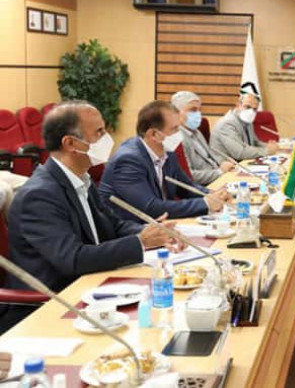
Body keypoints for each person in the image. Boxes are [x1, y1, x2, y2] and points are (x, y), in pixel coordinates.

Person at [1, 102, 180, 328]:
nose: (107, 138)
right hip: (50, 307)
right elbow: (73, 259)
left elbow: (113, 225)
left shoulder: (81, 178)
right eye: (99, 132)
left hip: (91, 289)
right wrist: (140, 242)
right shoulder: (39, 196)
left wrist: (153, 233)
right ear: (70, 143)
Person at [99, 101, 229, 223]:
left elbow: (186, 187)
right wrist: (205, 204)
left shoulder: (167, 152)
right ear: (153, 134)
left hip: (160, 224)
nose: (179, 134)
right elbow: (151, 207)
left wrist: (213, 194)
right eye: (175, 129)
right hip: (132, 230)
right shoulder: (128, 160)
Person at [171, 91, 233, 185]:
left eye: (199, 110)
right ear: (176, 112)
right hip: (204, 186)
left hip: (217, 180)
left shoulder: (197, 132)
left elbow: (209, 157)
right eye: (193, 110)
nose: (198, 114)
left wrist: (222, 163)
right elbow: (188, 176)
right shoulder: (175, 138)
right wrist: (219, 172)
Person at [211, 92, 278, 161]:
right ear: (238, 106)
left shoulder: (246, 120)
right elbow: (239, 153)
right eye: (248, 107)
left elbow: (254, 142)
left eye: (254, 109)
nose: (251, 112)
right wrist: (266, 151)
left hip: (241, 162)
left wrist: (268, 146)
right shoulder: (227, 123)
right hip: (225, 164)